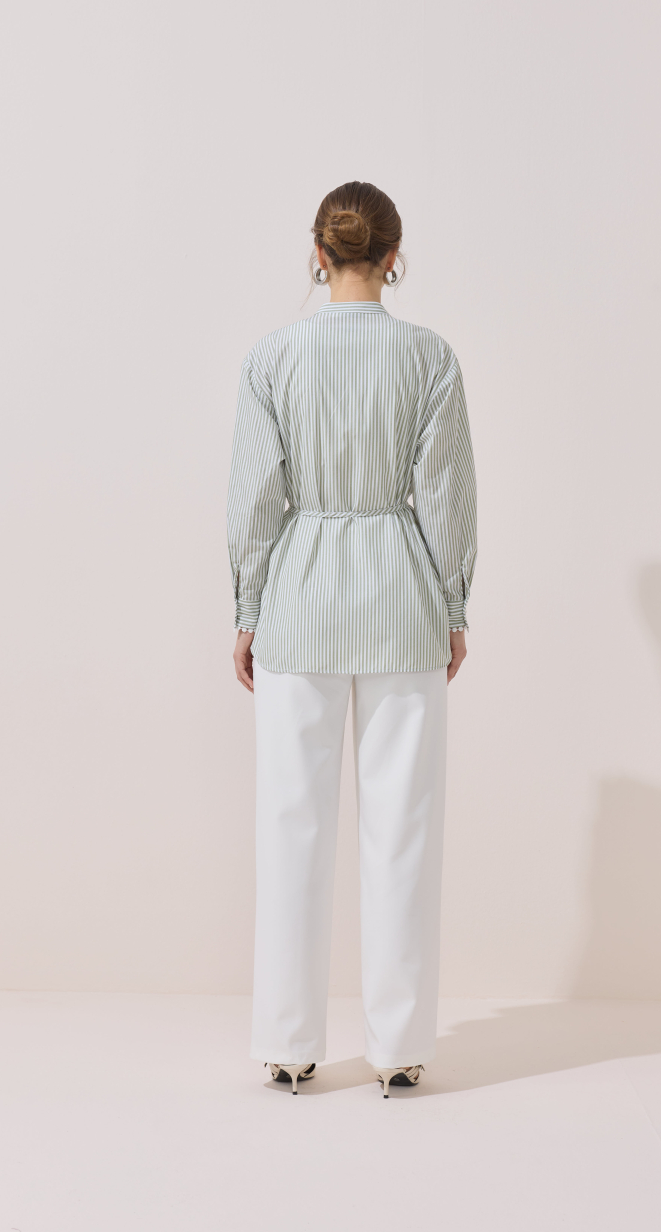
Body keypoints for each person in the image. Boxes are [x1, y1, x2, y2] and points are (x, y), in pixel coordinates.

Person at [226, 181, 477, 1097]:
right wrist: (453, 606)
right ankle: (400, 1048)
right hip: (403, 602)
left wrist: (248, 609)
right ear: (394, 257)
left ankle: (288, 1046)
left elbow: (257, 497)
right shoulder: (429, 358)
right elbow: (445, 493)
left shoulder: (272, 357)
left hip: (298, 604)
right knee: (402, 827)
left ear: (318, 254)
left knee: (291, 825)